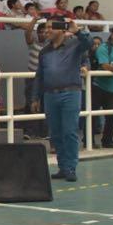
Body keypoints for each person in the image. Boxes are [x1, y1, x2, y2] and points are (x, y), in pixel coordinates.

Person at [34, 18, 92, 182]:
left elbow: (88, 43)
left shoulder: (75, 45)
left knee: (69, 131)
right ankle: (62, 167)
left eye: (52, 27)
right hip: (50, 95)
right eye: (47, 27)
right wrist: (35, 97)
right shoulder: (44, 51)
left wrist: (77, 31)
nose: (48, 30)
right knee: (56, 133)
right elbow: (40, 76)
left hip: (70, 93)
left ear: (61, 29)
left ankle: (70, 168)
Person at [93, 26, 113, 148]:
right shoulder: (103, 48)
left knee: (112, 118)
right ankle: (89, 141)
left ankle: (107, 141)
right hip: (97, 87)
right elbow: (105, 66)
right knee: (93, 117)